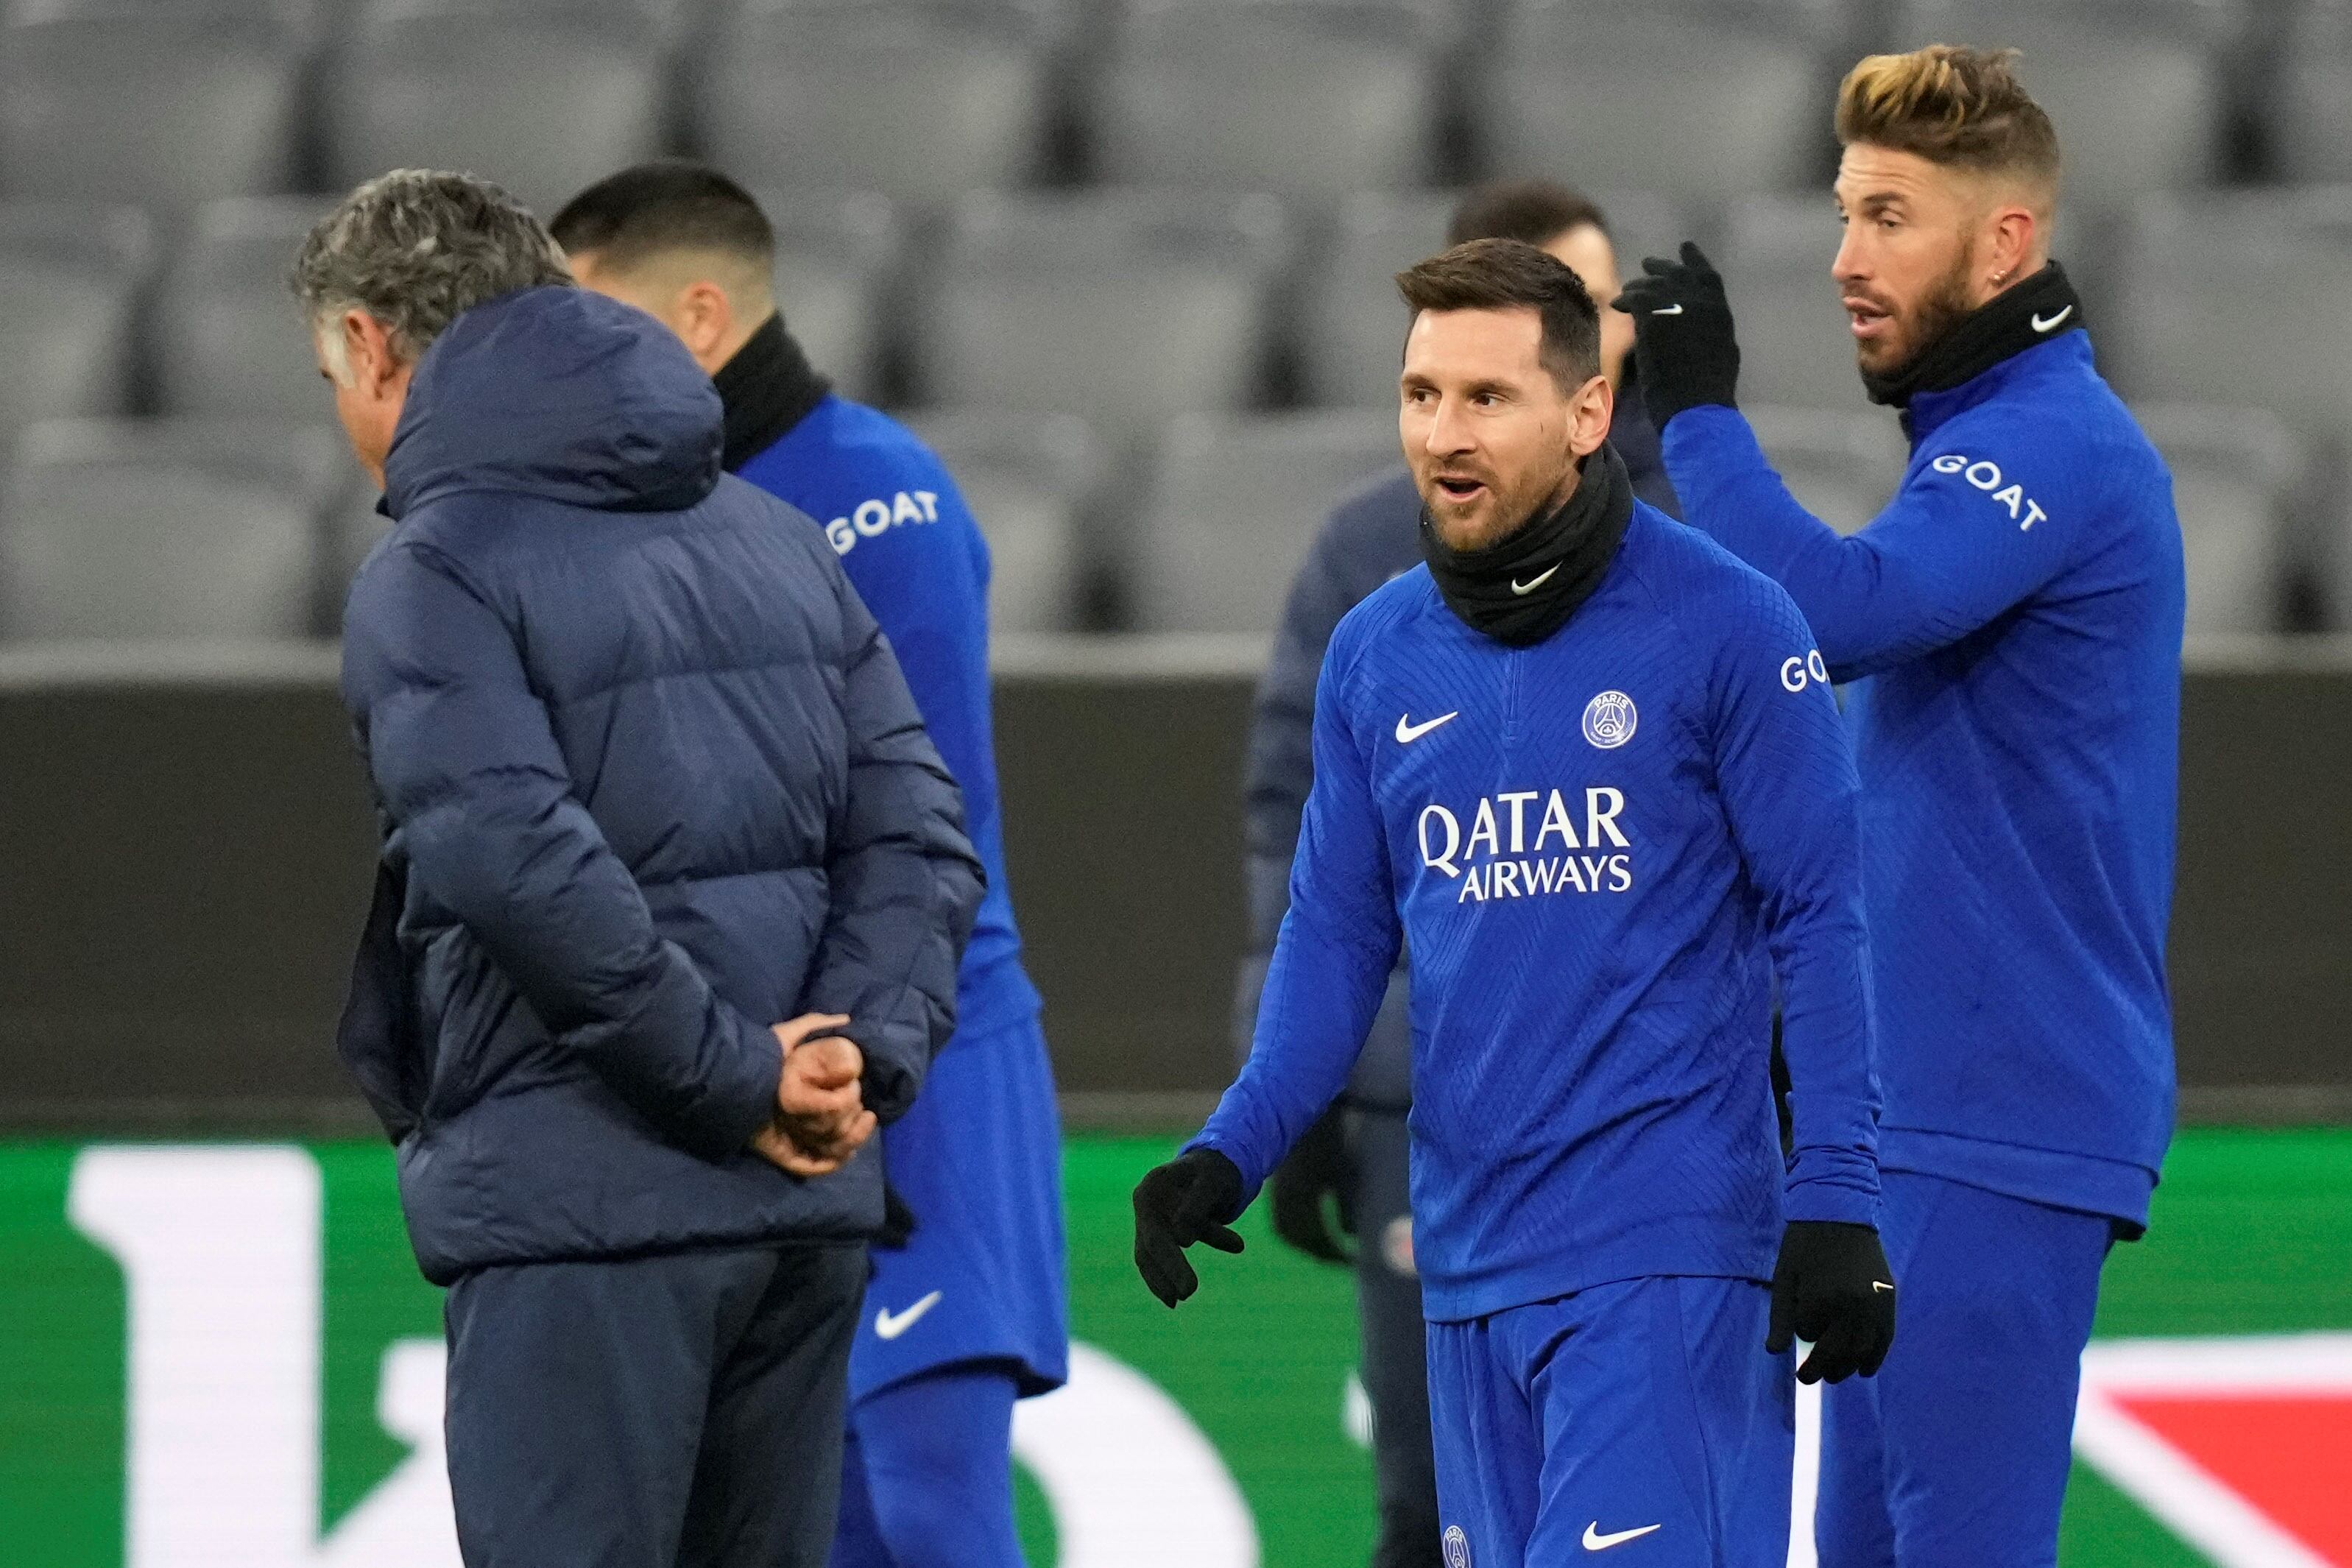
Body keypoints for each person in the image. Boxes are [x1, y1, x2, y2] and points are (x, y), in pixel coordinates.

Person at [1138, 238, 1897, 1568]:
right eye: (1422, 393)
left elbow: (1824, 923)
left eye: (1487, 396)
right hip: (1467, 1269)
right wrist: (1232, 1146)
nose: (1444, 431)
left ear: (1587, 410)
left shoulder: (1733, 624)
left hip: (1669, 1261)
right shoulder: (1376, 651)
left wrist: (1837, 1193)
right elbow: (1335, 936)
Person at [306, 169, 984, 1568]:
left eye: (330, 373)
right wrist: (850, 1056)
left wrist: (742, 1080)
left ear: (375, 348)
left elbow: (518, 867)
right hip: (800, 1219)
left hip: (586, 1219)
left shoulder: (432, 571)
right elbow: (921, 834)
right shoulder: (780, 537)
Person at [1615, 46, 2183, 1568]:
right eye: (1842, 213)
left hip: (1993, 1117)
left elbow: (1829, 611)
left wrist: (1699, 423)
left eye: (1886, 216)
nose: (1843, 257)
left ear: (2003, 242)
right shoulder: (1986, 441)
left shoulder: (2048, 445)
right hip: (1916, 1122)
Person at [551, 162, 1067, 1568]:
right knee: (821, 1531)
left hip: (922, 1076)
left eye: (592, 324)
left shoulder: (876, 496)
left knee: (931, 1510)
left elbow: (929, 841)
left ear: (700, 316)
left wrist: (866, 1068)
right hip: (763, 1094)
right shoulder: (646, 521)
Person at [1237, 182, 1676, 1567]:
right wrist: (1308, 1081)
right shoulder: (1370, 551)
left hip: (1661, 1130)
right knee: (1434, 1516)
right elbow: (1293, 829)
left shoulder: (1717, 553)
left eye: (1590, 304)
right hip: (1431, 1111)